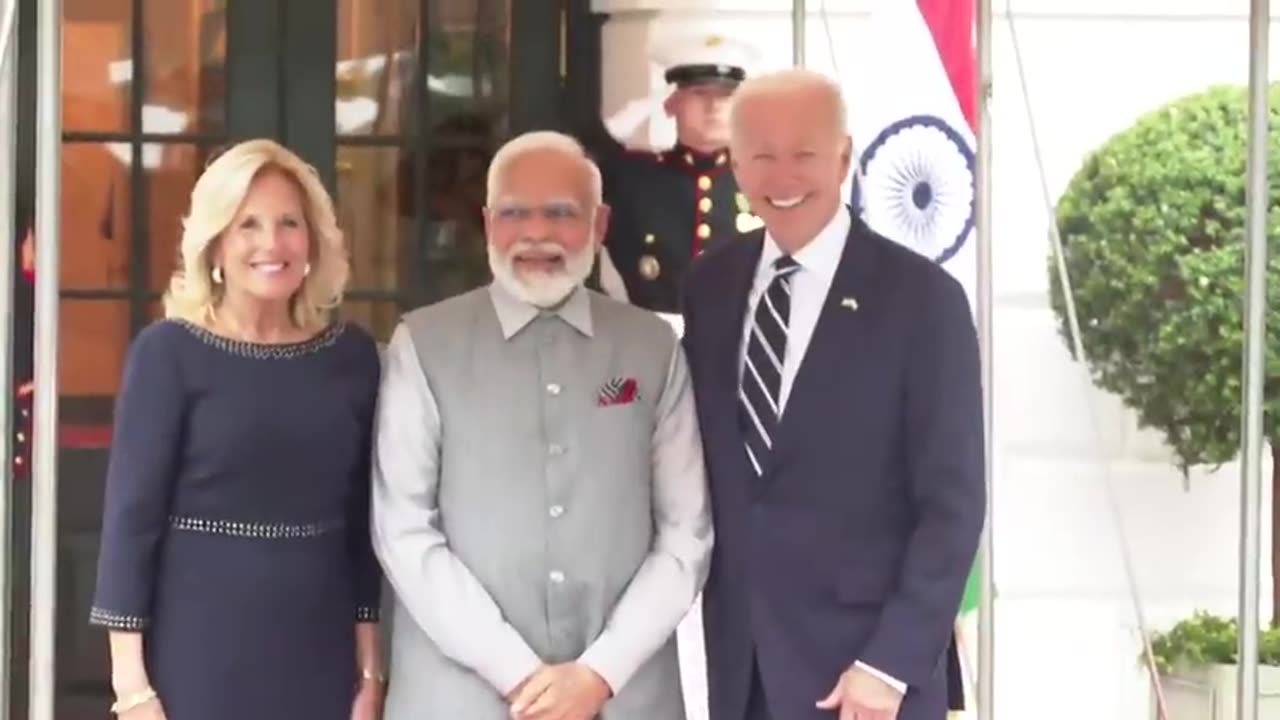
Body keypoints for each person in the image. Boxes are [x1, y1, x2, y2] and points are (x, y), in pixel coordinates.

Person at [371, 130, 713, 720]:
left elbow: (686, 536)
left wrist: (598, 674)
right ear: (485, 223)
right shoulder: (423, 344)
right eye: (514, 213)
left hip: (624, 697)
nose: (536, 234)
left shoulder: (653, 347)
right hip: (457, 699)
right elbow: (403, 530)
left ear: (601, 224)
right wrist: (521, 677)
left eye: (561, 213)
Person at [680, 69, 985, 720]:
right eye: (762, 155)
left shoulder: (922, 301)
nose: (783, 176)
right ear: (735, 164)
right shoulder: (709, 287)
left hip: (867, 682)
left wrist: (891, 663)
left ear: (844, 157)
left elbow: (952, 506)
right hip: (744, 672)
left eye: (805, 154)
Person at [88, 138, 385, 720]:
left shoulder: (351, 358)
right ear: (215, 243)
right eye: (247, 224)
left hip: (319, 658)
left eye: (288, 223)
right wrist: (132, 690)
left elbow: (363, 532)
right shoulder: (168, 354)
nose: (271, 243)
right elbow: (131, 524)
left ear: (314, 242)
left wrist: (370, 673)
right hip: (196, 660)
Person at [584, 31, 764, 314]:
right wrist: (641, 108)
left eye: (726, 96)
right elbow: (574, 163)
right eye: (699, 94)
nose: (713, 106)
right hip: (654, 342)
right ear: (672, 104)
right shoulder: (636, 178)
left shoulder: (767, 181)